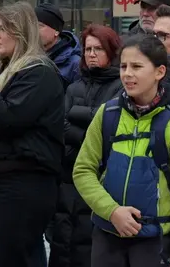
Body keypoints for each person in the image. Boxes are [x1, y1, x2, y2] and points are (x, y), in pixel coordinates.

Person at [73, 35, 170, 267]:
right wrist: (112, 211)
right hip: (107, 237)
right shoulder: (107, 114)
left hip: (155, 242)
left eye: (137, 67)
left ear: (160, 72)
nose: (127, 74)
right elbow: (82, 170)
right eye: (123, 66)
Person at [0, 2, 64, 267]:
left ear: (22, 34)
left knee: (9, 257)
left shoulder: (39, 74)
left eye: (4, 30)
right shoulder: (3, 72)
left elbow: (9, 119)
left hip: (22, 183)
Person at [48, 24, 122, 267]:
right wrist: (88, 129)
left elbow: (109, 125)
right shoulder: (74, 87)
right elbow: (60, 126)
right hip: (68, 173)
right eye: (88, 49)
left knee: (89, 246)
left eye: (98, 49)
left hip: (101, 177)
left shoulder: (121, 87)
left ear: (111, 51)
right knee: (63, 242)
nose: (91, 54)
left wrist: (77, 116)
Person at [36, 3, 82, 86]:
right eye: (33, 26)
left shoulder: (75, 64)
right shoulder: (30, 58)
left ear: (56, 31)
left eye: (40, 26)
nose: (35, 30)